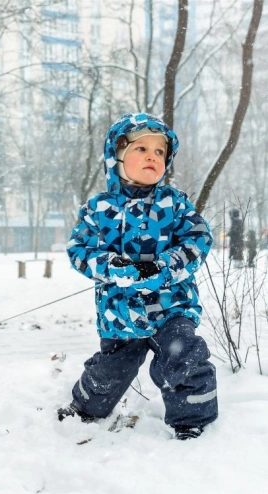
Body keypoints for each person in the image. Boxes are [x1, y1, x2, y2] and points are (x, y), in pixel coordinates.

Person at [58, 113, 218, 441]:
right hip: (120, 312)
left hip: (171, 306)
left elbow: (198, 238)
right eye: (141, 148)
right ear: (115, 158)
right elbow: (79, 250)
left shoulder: (174, 204)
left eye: (160, 152)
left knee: (184, 354)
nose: (152, 156)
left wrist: (164, 266)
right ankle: (86, 407)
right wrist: (111, 266)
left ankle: (193, 418)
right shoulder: (99, 210)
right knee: (112, 370)